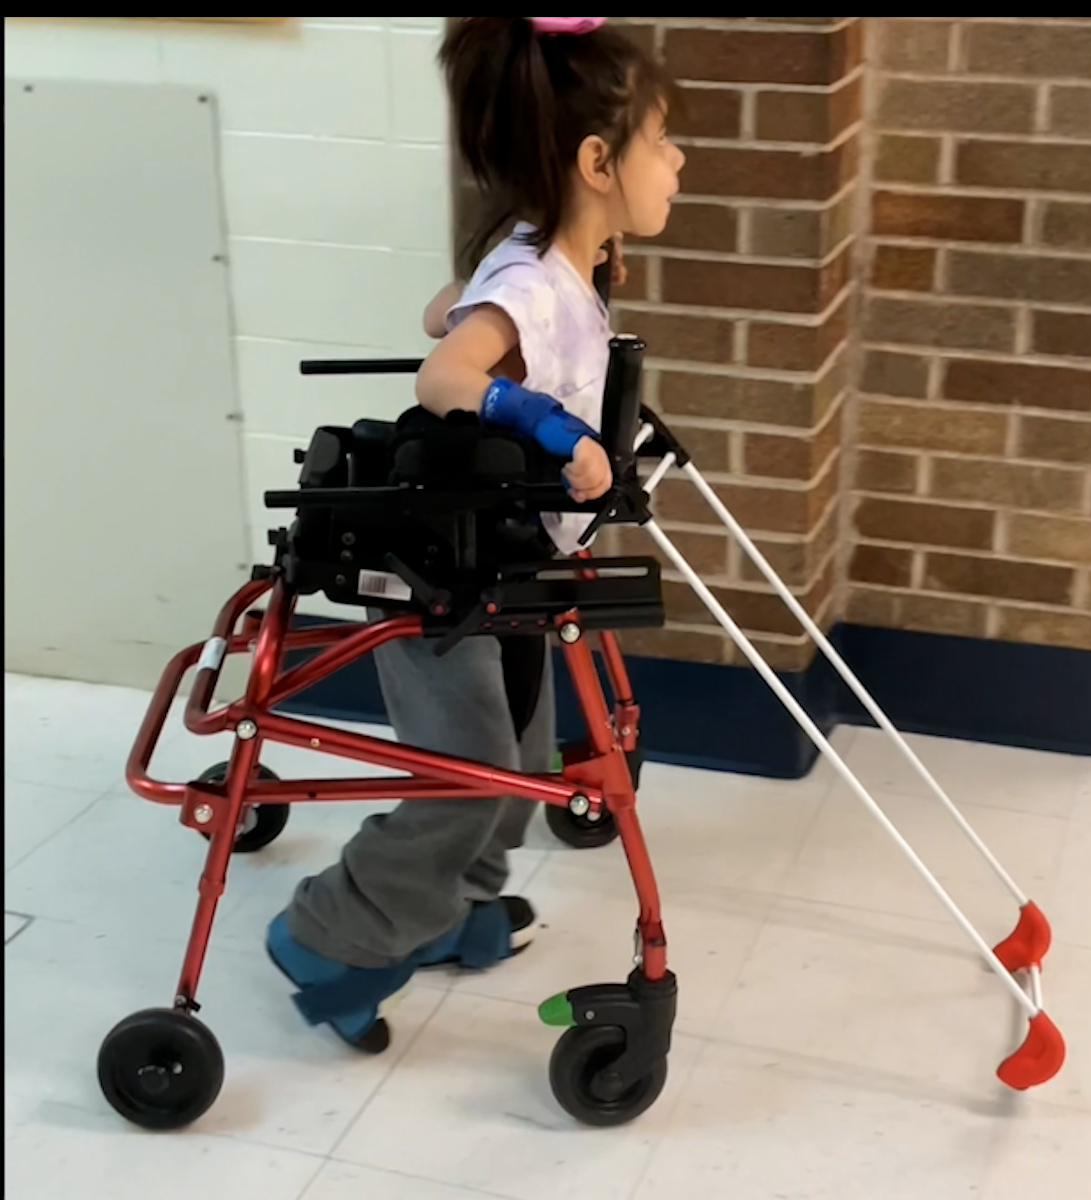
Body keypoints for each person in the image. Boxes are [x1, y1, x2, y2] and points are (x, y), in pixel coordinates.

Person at [267, 16, 684, 1054]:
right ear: (598, 161)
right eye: (664, 141)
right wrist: (542, 420)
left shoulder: (549, 262)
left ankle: (451, 908)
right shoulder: (538, 280)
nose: (679, 161)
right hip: (439, 560)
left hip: (512, 551)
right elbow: (445, 370)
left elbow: (439, 309)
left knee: (525, 754)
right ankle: (330, 935)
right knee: (469, 770)